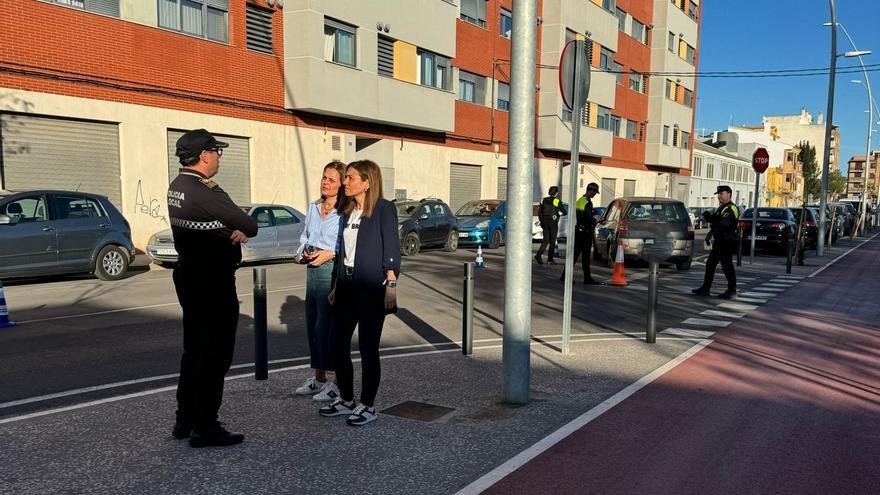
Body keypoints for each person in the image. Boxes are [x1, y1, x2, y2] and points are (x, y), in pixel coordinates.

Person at [167, 129, 258, 448]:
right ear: (204, 156)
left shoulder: (177, 186)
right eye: (217, 151)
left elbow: (207, 226)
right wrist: (234, 230)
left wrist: (224, 230)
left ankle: (185, 418)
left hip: (190, 277)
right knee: (215, 355)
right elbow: (250, 225)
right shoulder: (206, 190)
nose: (220, 156)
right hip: (212, 282)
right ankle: (205, 426)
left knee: (193, 351)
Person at [318, 160, 400, 426]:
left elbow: (392, 247)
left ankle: (367, 405)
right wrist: (336, 287)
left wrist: (391, 284)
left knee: (367, 348)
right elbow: (343, 253)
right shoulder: (347, 211)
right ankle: (347, 399)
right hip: (346, 287)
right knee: (337, 344)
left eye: (350, 177)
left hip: (372, 288)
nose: (345, 182)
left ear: (366, 181)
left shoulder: (384, 209)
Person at [293, 161, 348, 402]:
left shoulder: (345, 212)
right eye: (324, 177)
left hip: (330, 268)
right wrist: (301, 252)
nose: (325, 182)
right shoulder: (314, 208)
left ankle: (337, 382)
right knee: (313, 323)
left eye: (332, 179)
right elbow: (305, 236)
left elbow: (347, 244)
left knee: (328, 326)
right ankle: (319, 378)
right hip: (312, 268)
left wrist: (330, 253)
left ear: (341, 185)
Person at [693, 185, 740, 299]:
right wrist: (707, 217)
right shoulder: (722, 208)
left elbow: (723, 223)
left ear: (729, 194)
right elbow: (715, 220)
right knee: (711, 264)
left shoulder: (731, 208)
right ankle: (706, 288)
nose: (719, 196)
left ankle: (731, 290)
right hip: (720, 241)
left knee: (726, 265)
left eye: (721, 194)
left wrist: (713, 221)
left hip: (726, 241)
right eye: (718, 194)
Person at [561, 182, 602, 284]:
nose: (594, 195)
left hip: (578, 230)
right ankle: (587, 278)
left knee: (574, 255)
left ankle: (564, 275)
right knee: (586, 257)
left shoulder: (580, 200)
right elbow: (588, 218)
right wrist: (595, 219)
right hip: (585, 233)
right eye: (594, 192)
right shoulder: (587, 202)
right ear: (590, 190)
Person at [536, 186, 564, 265]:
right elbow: (565, 212)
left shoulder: (543, 200)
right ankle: (550, 260)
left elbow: (539, 212)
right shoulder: (556, 201)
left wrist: (542, 221)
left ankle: (538, 255)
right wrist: (558, 214)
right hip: (553, 222)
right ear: (556, 193)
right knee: (552, 241)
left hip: (544, 221)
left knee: (546, 240)